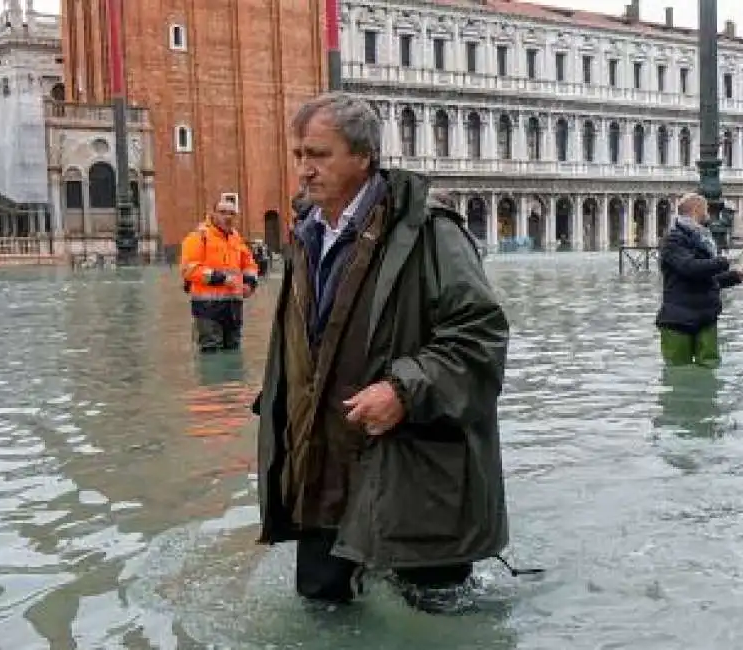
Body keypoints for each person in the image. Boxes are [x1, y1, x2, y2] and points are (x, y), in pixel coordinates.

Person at [252, 92, 511, 613]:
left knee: (435, 620)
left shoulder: (431, 232)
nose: (303, 169)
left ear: (364, 156)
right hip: (320, 467)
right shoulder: (306, 235)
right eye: (298, 154)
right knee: (322, 611)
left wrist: (403, 390)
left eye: (319, 155)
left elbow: (480, 337)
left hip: (413, 475)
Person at [655, 192, 743, 367]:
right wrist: (725, 261)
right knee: (678, 372)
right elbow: (690, 267)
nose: (709, 214)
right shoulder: (672, 241)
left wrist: (736, 276)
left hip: (706, 316)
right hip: (678, 320)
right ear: (696, 210)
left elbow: (709, 278)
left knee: (710, 368)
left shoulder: (704, 240)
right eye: (706, 209)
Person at [179, 198, 259, 352]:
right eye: (222, 213)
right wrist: (221, 278)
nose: (228, 217)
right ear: (212, 214)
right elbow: (189, 269)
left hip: (233, 307)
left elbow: (250, 265)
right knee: (211, 350)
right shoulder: (198, 237)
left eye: (232, 214)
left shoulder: (236, 239)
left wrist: (250, 284)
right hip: (207, 308)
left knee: (233, 349)